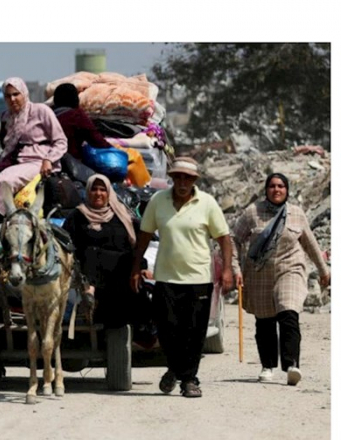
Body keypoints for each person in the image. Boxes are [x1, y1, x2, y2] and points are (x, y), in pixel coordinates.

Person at [130, 156, 235, 398]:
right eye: (178, 177)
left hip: (198, 278)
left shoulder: (207, 203)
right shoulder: (159, 201)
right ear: (172, 178)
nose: (182, 182)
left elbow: (224, 239)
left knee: (194, 331)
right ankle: (175, 368)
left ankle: (188, 379)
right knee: (166, 329)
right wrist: (136, 267)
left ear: (194, 180)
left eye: (187, 178)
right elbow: (144, 236)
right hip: (166, 277)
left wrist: (228, 270)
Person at [232, 173, 330, 386]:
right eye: (272, 186)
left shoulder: (296, 214)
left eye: (281, 186)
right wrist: (236, 268)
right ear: (266, 190)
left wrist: (324, 271)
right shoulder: (252, 213)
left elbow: (311, 244)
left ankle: (292, 364)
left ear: (287, 190)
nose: (277, 190)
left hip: (290, 269)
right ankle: (267, 366)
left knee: (288, 312)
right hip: (259, 273)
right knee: (265, 321)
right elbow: (234, 240)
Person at [0, 77, 67, 228]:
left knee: (3, 182)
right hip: (14, 159)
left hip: (37, 159)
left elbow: (61, 141)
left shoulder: (41, 111)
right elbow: (8, 146)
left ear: (24, 93)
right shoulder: (7, 117)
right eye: (8, 96)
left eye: (16, 94)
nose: (12, 99)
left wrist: (49, 160)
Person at [64, 174, 140, 327]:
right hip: (88, 272)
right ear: (87, 192)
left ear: (109, 193)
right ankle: (88, 297)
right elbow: (65, 245)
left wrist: (141, 267)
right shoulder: (77, 216)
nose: (98, 193)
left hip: (119, 271)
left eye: (102, 189)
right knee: (91, 252)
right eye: (94, 189)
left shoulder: (121, 216)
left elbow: (136, 246)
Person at [52, 83, 113, 162]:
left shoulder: (48, 114)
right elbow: (95, 138)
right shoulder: (76, 115)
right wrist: (113, 150)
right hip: (71, 162)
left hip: (48, 159)